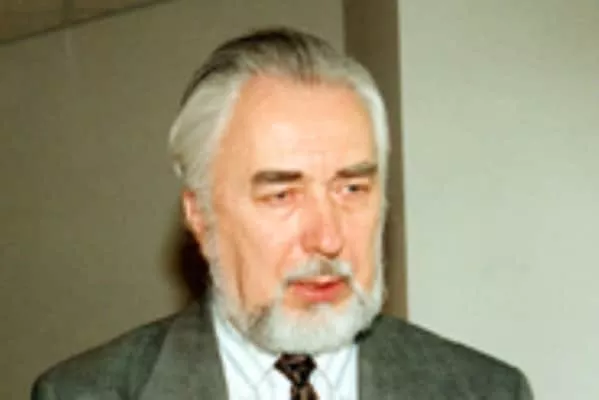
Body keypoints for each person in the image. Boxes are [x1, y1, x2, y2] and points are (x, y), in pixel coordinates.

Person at [32, 27, 533, 400]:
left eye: (352, 188)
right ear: (200, 217)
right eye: (282, 195)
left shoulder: (486, 391)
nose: (327, 238)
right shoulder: (81, 394)